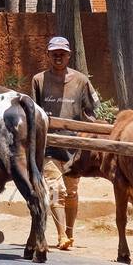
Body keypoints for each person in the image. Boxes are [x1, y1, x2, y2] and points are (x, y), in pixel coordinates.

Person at [32, 36, 99, 250]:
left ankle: (70, 233)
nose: (58, 56)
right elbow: (33, 113)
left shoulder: (81, 81)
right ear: (48, 55)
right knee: (54, 190)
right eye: (54, 53)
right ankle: (61, 234)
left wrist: (92, 135)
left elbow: (91, 112)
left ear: (69, 56)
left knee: (71, 192)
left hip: (74, 147)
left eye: (62, 53)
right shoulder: (39, 81)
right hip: (49, 146)